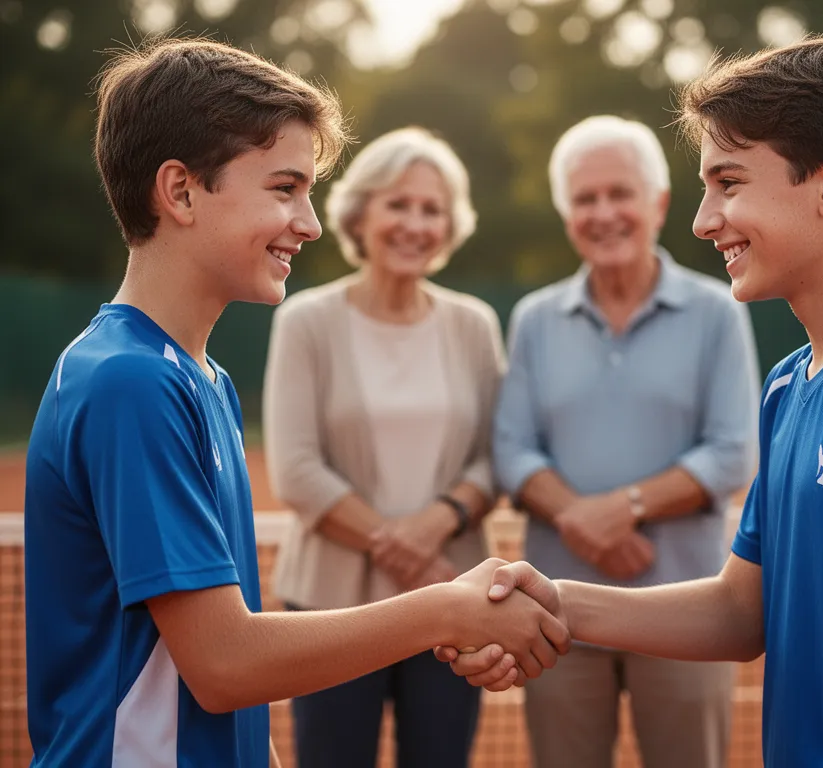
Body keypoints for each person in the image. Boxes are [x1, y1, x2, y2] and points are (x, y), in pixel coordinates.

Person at [440, 37, 823, 768]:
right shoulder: (790, 382)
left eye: (729, 183)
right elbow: (741, 611)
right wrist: (550, 599)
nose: (705, 220)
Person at [22, 38, 568, 768]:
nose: (310, 224)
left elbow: (225, 668)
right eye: (284, 189)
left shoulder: (196, 376)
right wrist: (447, 606)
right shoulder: (132, 383)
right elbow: (225, 665)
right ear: (180, 191)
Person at [489, 115, 760, 768]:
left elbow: (732, 450)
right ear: (566, 214)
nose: (603, 212)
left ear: (659, 203)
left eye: (620, 194)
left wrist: (622, 509)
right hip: (554, 620)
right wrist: (583, 520)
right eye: (585, 199)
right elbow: (512, 449)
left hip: (687, 616)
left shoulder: (717, 310)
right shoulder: (534, 319)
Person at [262, 126, 505, 768]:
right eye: (398, 203)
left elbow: (495, 455)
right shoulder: (305, 320)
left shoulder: (474, 324)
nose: (414, 223)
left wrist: (432, 529)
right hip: (329, 608)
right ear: (360, 212)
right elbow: (295, 469)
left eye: (432, 209)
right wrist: (406, 557)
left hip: (454, 601)